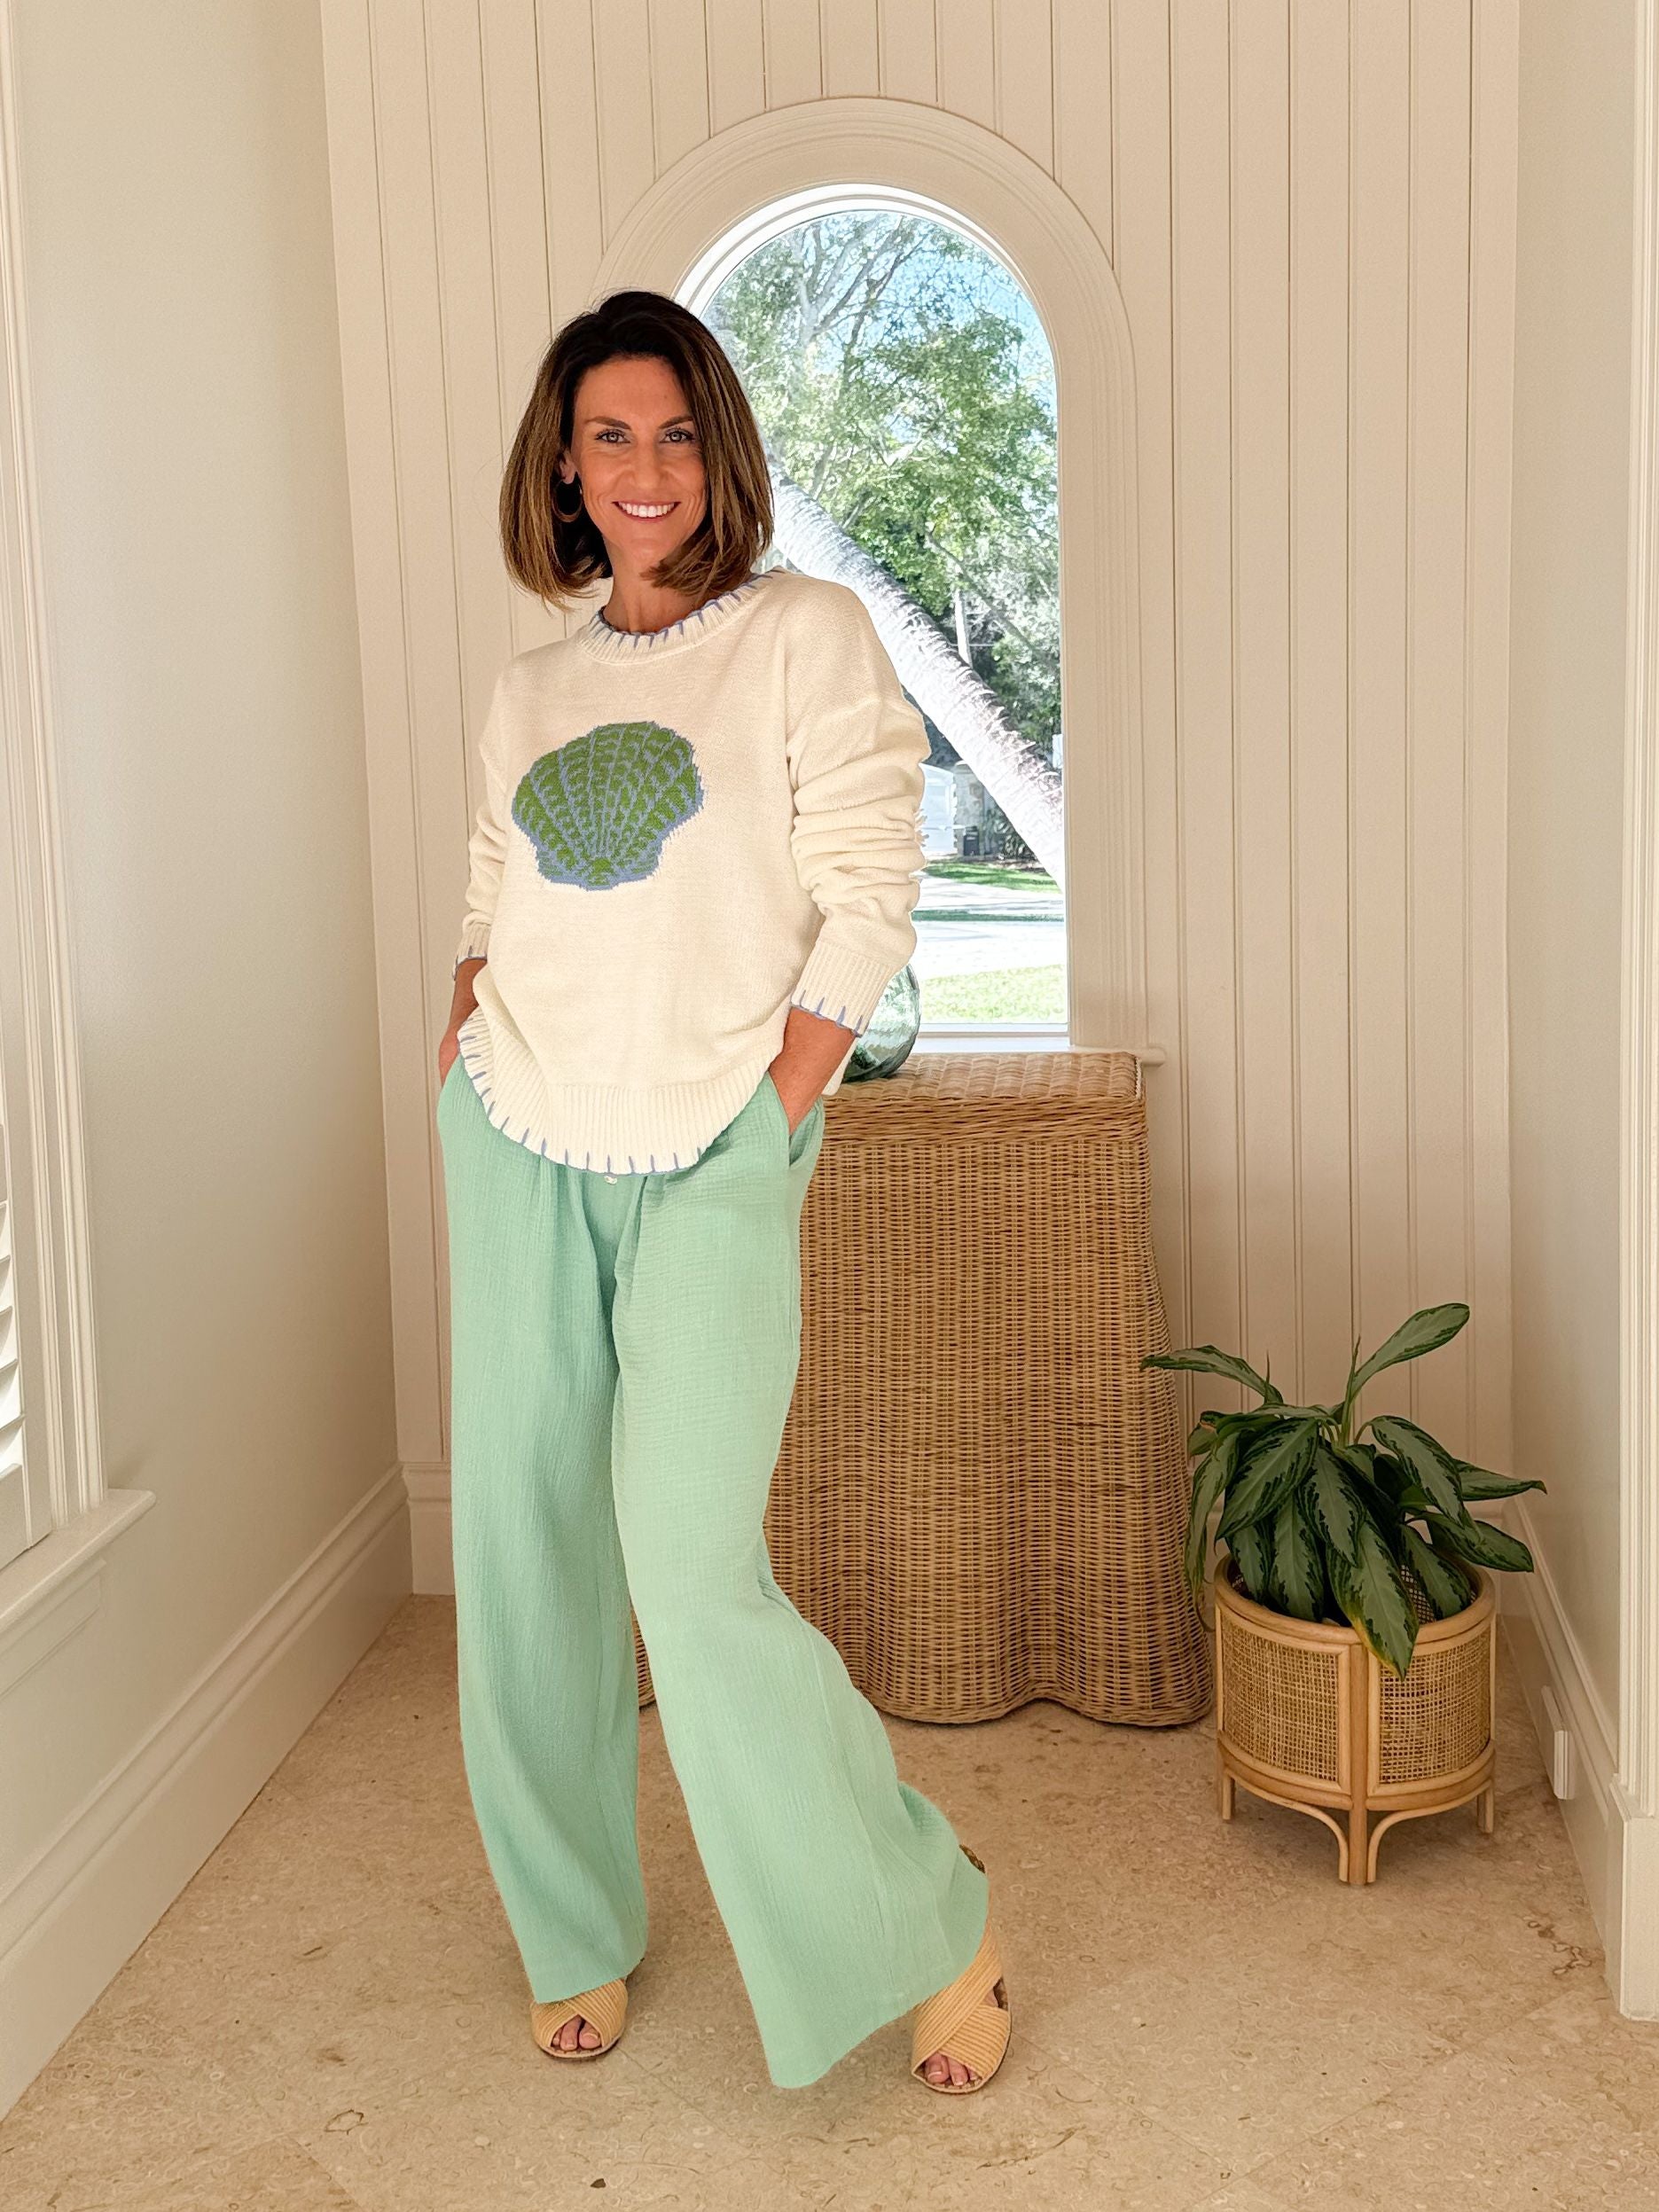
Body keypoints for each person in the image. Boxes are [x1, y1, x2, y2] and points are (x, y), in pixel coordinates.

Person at [434, 287, 1012, 2095]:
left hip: (714, 1143)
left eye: (677, 432)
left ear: (720, 452)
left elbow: (869, 888)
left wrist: (775, 1104)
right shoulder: (529, 689)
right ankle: (572, 1924)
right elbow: (491, 886)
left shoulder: (803, 634)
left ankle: (929, 1915)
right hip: (515, 1129)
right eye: (610, 435)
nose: (647, 468)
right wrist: (461, 1019)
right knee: (525, 1558)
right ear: (564, 465)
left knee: (689, 1574)